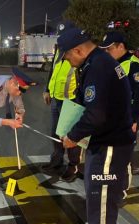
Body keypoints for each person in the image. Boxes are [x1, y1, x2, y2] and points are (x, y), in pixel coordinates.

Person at [58, 27, 135, 224]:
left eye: (68, 56)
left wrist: (73, 136)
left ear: (79, 50)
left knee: (102, 205)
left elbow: (96, 114)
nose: (68, 61)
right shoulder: (98, 62)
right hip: (102, 143)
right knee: (95, 200)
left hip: (109, 146)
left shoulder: (98, 67)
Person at [99, 31, 139, 193]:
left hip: (126, 120)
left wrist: (133, 120)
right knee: (109, 154)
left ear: (121, 46)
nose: (106, 52)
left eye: (109, 49)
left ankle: (121, 189)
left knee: (122, 156)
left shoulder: (134, 66)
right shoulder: (111, 63)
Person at [0, 68, 36, 190]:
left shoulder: (15, 89)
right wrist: (8, 122)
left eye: (21, 92)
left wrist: (20, 115)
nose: (19, 94)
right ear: (12, 82)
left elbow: (19, 106)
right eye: (18, 90)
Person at [42, 45, 81, 182]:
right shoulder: (60, 50)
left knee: (71, 136)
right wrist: (47, 89)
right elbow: (53, 70)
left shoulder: (78, 52)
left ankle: (73, 166)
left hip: (71, 100)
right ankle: (57, 161)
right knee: (55, 133)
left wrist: (79, 101)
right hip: (55, 99)